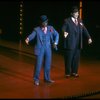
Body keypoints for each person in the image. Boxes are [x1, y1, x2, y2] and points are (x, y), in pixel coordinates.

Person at [25, 15, 59, 85]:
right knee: (38, 64)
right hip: (40, 48)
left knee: (48, 64)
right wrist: (28, 39)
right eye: (44, 22)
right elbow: (32, 35)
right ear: (41, 22)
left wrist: (55, 43)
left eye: (46, 22)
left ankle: (47, 78)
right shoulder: (37, 29)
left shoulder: (50, 28)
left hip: (48, 48)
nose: (45, 23)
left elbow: (57, 34)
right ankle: (36, 79)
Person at [62, 6, 92, 78]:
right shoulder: (67, 21)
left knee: (76, 59)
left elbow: (84, 29)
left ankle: (74, 72)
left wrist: (89, 37)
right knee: (69, 59)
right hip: (70, 43)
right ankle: (68, 73)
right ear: (71, 13)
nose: (77, 14)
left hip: (78, 43)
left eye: (77, 13)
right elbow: (63, 28)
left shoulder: (80, 21)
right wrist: (64, 33)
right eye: (75, 13)